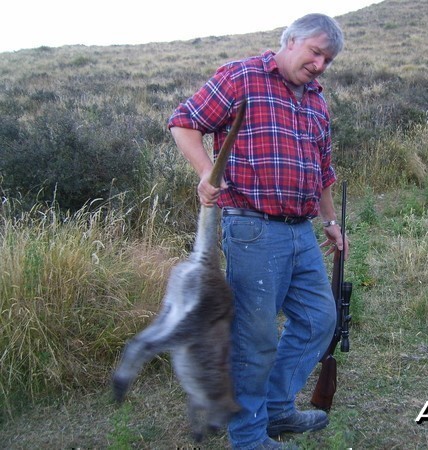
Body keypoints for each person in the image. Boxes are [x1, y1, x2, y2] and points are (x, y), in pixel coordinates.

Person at [168, 13, 347, 450]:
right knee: (257, 338)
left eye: (328, 58)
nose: (320, 64)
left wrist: (329, 221)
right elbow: (184, 122)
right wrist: (208, 172)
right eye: (316, 52)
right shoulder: (242, 76)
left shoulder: (317, 100)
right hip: (252, 229)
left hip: (302, 231)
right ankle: (248, 438)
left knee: (320, 319)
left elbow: (322, 171)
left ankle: (278, 407)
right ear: (290, 41)